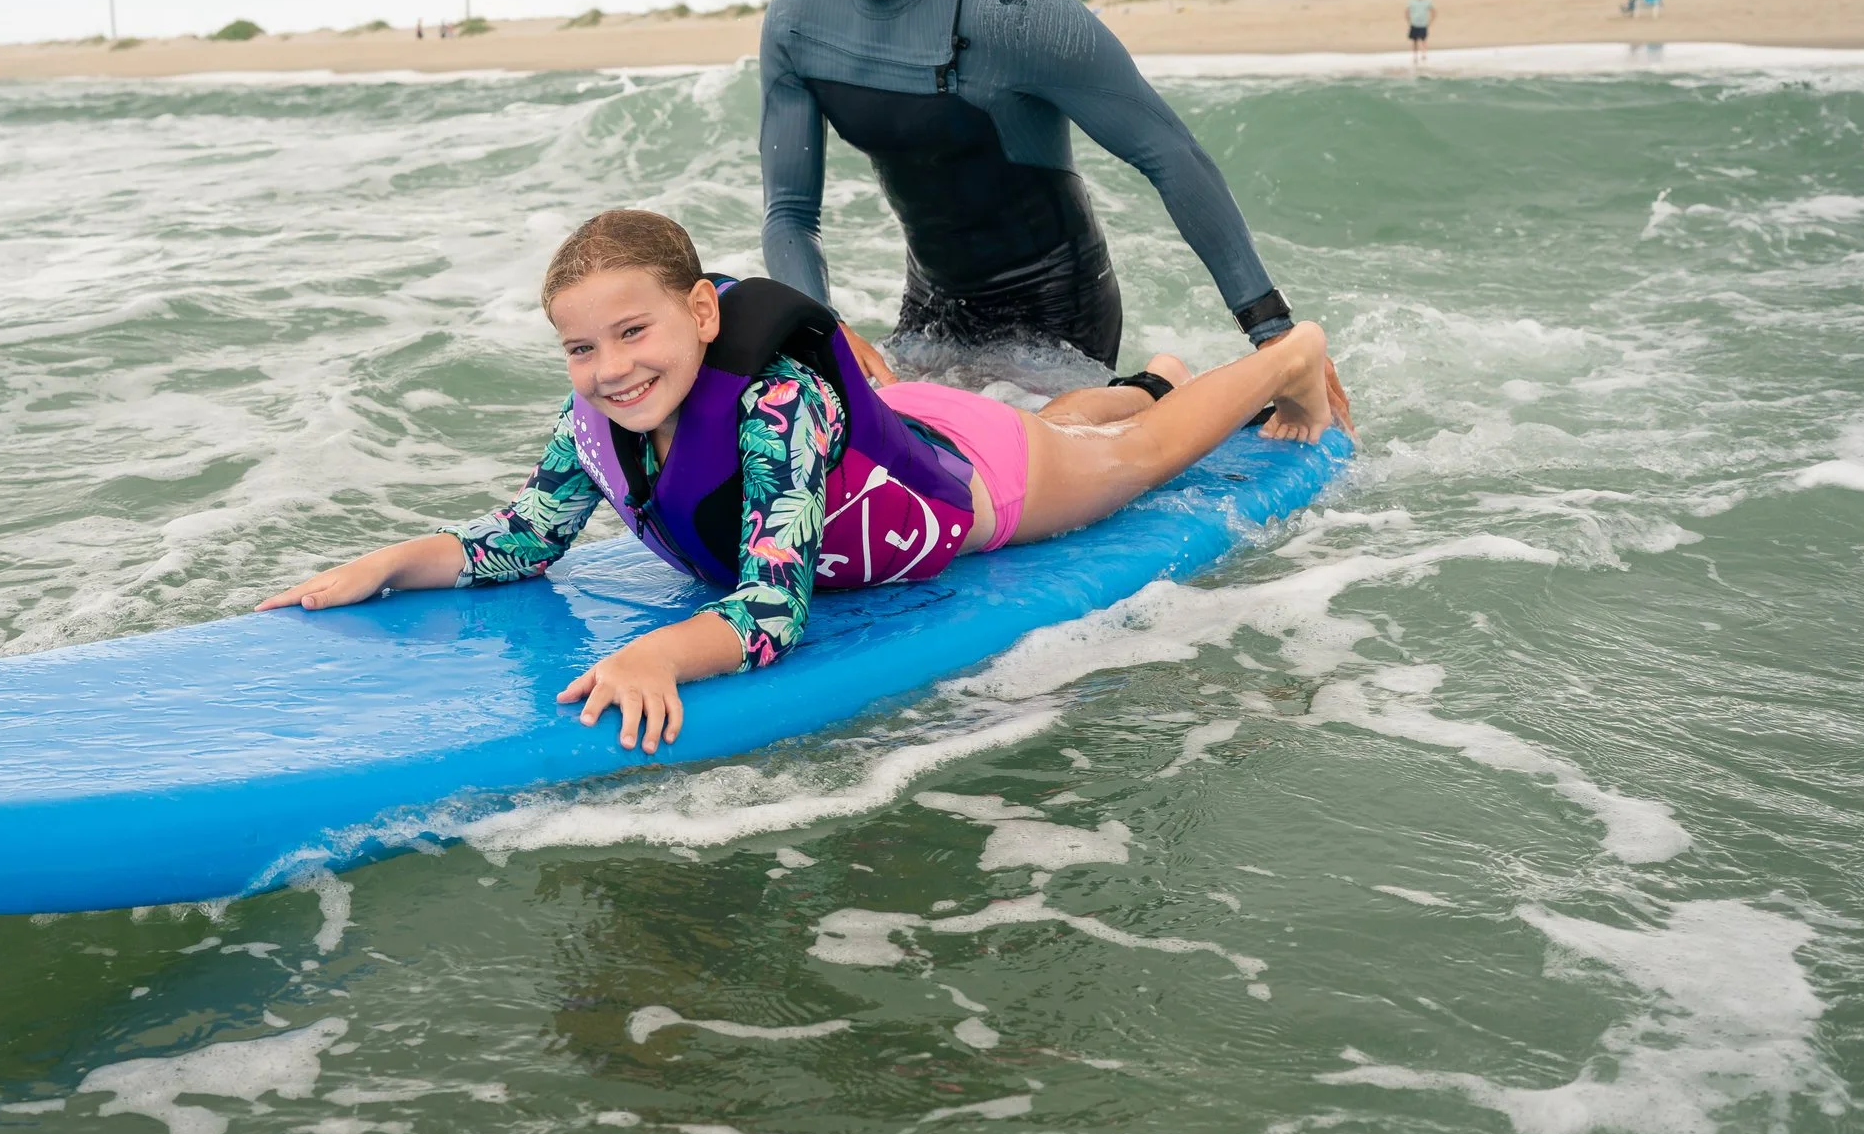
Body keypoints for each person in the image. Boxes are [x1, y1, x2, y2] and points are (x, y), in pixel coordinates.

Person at [259, 210, 1341, 755]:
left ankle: (1285, 355)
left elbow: (771, 612)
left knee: (1133, 462)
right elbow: (524, 537)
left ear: (700, 314)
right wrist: (400, 561)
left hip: (977, 486)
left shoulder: (780, 406)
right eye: (580, 348)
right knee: (1069, 415)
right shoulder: (597, 413)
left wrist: (657, 650)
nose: (610, 367)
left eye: (632, 331)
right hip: (898, 435)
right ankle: (1150, 375)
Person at [759, 0, 1327, 406]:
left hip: (1056, 315)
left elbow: (1166, 150)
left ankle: (1161, 383)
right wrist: (823, 333)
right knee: (886, 439)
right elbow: (790, 213)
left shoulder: (1009, 2)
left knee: (1035, 471)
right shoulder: (797, 20)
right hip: (932, 309)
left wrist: (1271, 332)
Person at [1405, 0, 1435, 65]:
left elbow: (1433, 11)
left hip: (1423, 23)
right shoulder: (1412, 1)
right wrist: (1408, 20)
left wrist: (1430, 21)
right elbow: (1407, 11)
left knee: (1423, 39)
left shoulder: (1427, 1)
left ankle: (1424, 54)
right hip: (1414, 23)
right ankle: (1415, 56)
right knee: (1414, 40)